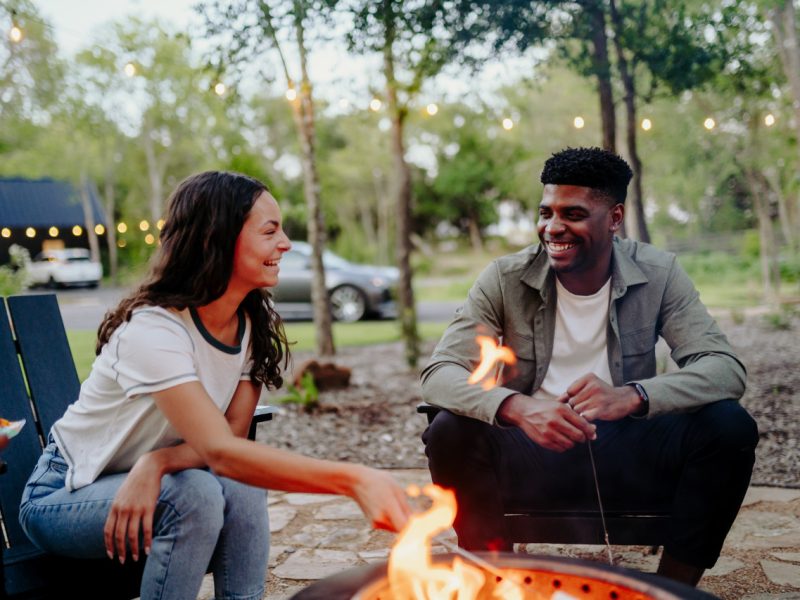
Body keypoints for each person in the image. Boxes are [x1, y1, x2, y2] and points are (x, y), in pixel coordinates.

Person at [18, 171, 411, 600]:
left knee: (237, 484)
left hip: (152, 483)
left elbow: (231, 441)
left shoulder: (250, 325)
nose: (286, 244)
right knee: (196, 494)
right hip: (62, 494)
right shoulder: (155, 331)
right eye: (270, 231)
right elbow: (220, 454)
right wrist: (353, 479)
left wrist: (158, 462)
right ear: (216, 239)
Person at [420, 146, 758, 586]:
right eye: (545, 212)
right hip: (531, 446)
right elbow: (438, 374)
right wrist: (518, 408)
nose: (552, 227)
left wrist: (633, 396)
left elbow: (725, 368)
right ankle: (497, 586)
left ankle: (672, 589)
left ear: (614, 218)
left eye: (573, 214)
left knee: (729, 427)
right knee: (448, 429)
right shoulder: (504, 277)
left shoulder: (659, 274)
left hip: (626, 447)